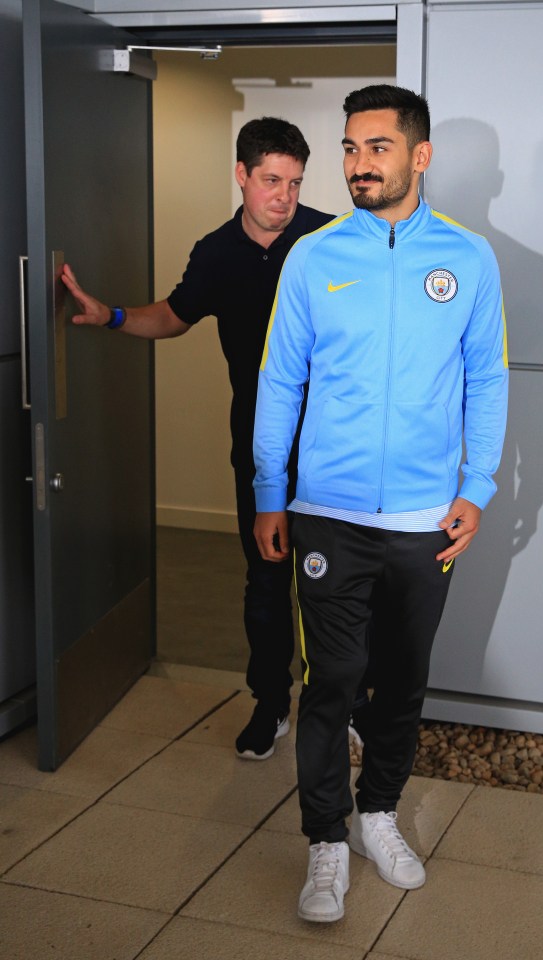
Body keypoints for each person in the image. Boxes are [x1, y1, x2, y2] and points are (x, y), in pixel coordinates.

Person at [253, 85, 508, 923]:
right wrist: (269, 491)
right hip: (328, 510)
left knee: (400, 685)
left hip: (424, 522)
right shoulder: (314, 257)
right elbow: (281, 380)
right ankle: (326, 839)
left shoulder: (469, 260)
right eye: (351, 149)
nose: (359, 164)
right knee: (333, 682)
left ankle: (377, 816)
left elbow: (486, 380)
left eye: (378, 148)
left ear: (419, 156)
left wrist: (476, 488)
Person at [61, 117, 338, 760]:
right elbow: (175, 315)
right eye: (272, 181)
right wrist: (113, 317)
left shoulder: (330, 238)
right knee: (267, 580)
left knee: (333, 582)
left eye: (295, 183)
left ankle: (342, 703)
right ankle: (271, 706)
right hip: (261, 447)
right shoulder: (215, 252)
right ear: (241, 176)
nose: (284, 197)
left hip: (334, 445)